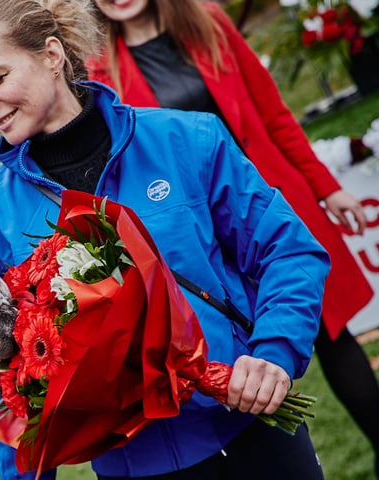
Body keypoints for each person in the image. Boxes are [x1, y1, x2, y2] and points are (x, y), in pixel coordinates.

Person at [0, 0, 331, 478]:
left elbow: (288, 249)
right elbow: (2, 375)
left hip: (251, 427)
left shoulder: (186, 139)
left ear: (51, 55)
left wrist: (274, 352)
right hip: (132, 465)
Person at [87, 0, 379, 475]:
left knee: (332, 334)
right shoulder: (100, 67)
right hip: (200, 239)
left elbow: (274, 115)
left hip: (267, 209)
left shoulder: (207, 23)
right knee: (239, 364)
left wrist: (326, 188)